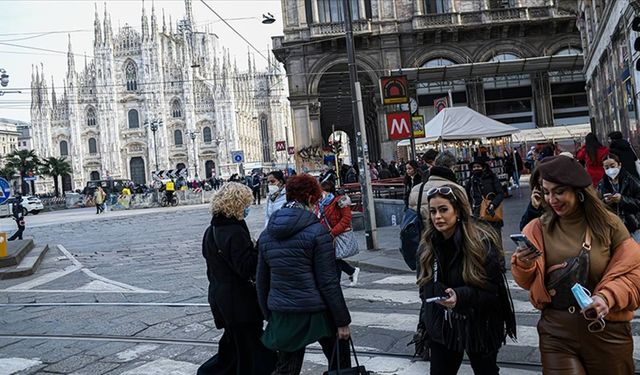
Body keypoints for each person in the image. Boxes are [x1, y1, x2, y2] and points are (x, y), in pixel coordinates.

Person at [512, 155, 640, 374]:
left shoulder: (609, 225)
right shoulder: (535, 228)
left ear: (578, 191)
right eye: (546, 191)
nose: (552, 199)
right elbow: (526, 282)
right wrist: (523, 264)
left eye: (559, 191)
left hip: (606, 330)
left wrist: (605, 297)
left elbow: (634, 276)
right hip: (556, 332)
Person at [257, 174, 352, 375]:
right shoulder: (318, 232)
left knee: (286, 370)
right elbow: (328, 282)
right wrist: (342, 321)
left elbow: (262, 280)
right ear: (310, 199)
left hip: (283, 312)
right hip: (317, 311)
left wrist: (270, 314)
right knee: (340, 364)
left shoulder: (266, 235)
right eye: (316, 200)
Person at [417, 185, 516, 375]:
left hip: (478, 325)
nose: (437, 216)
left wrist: (460, 297)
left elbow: (493, 294)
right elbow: (424, 291)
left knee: (485, 371)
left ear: (459, 211)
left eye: (443, 210)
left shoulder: (480, 243)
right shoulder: (427, 246)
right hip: (443, 327)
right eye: (433, 211)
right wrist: (425, 324)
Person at [199, 182, 276, 375]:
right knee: (250, 348)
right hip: (239, 301)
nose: (248, 207)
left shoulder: (212, 229)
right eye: (246, 203)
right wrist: (259, 247)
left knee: (235, 346)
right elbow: (246, 267)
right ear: (237, 203)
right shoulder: (233, 231)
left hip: (221, 297)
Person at [409, 151, 467, 230]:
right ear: (452, 167)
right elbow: (466, 219)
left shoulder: (416, 189)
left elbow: (411, 217)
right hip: (449, 237)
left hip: (422, 237)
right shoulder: (457, 189)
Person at [318, 180, 360, 286]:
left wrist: (334, 231)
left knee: (334, 258)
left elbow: (346, 218)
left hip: (337, 233)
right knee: (334, 258)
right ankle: (350, 272)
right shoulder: (321, 204)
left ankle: (340, 279)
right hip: (328, 234)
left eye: (322, 191)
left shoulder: (340, 201)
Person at [598, 153, 640, 242]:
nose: (610, 170)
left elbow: (638, 202)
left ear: (619, 165)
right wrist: (605, 202)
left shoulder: (631, 181)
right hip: (614, 227)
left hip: (633, 224)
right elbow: (598, 204)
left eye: (612, 166)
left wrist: (622, 199)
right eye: (607, 167)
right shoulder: (602, 184)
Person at [465, 159, 504, 236]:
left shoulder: (491, 177)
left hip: (491, 211)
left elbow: (500, 193)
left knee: (495, 236)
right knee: (481, 238)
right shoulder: (471, 181)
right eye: (474, 167)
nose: (476, 168)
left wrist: (493, 204)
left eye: (478, 166)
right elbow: (467, 195)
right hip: (477, 213)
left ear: (483, 167)